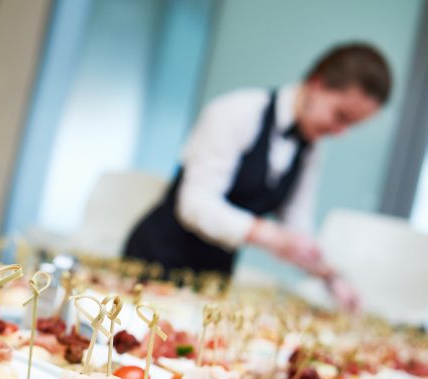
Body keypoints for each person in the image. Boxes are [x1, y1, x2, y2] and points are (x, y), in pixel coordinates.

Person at [124, 43, 392, 312]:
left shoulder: (311, 148)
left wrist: (332, 279)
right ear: (317, 84)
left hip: (214, 275)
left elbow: (297, 228)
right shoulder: (236, 112)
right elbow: (195, 205)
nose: (340, 132)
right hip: (156, 257)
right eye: (340, 116)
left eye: (350, 125)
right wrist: (269, 234)